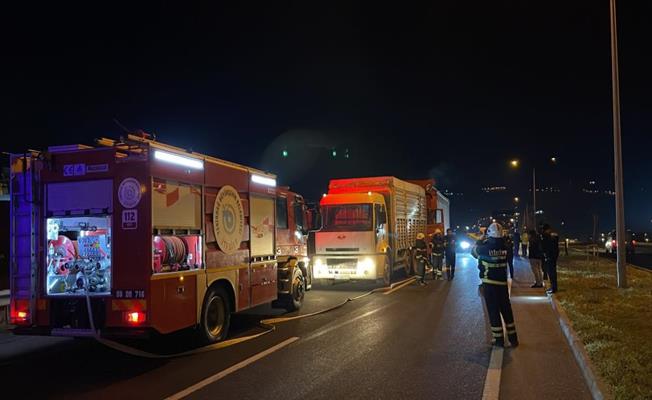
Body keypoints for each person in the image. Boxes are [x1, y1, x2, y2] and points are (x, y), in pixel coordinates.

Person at [472, 222, 518, 347]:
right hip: (502, 284)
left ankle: (498, 340)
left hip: (489, 284)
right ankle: (513, 339)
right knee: (506, 310)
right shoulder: (506, 247)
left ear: (489, 234)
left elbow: (474, 252)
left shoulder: (484, 248)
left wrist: (480, 240)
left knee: (493, 311)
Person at [541, 224, 560, 294]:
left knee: (552, 272)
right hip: (551, 256)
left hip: (550, 257)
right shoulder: (551, 236)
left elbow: (547, 246)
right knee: (551, 272)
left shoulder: (549, 237)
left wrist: (547, 254)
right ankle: (553, 287)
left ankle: (554, 288)